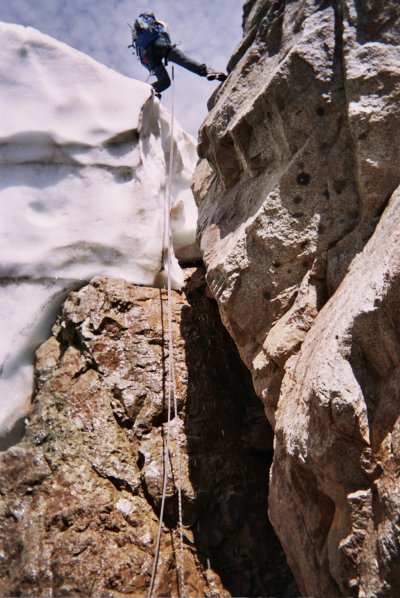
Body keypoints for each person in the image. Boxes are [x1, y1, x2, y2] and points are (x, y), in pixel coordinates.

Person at [131, 13, 227, 97]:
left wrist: (151, 67)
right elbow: (164, 34)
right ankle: (207, 71)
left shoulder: (138, 35)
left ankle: (148, 93)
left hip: (148, 55)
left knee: (164, 81)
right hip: (160, 44)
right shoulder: (157, 24)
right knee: (182, 59)